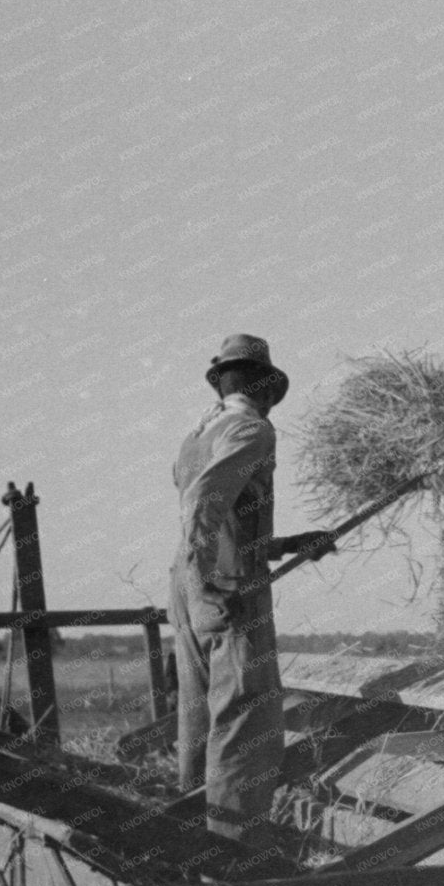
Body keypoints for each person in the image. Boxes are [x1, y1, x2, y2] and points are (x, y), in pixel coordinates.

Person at [169, 333, 331, 843]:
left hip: (189, 582)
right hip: (223, 584)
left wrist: (286, 544)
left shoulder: (199, 432)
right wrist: (216, 584)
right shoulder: (252, 429)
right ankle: (232, 860)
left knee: (199, 713)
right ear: (264, 389)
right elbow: (204, 503)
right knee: (247, 722)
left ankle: (187, 838)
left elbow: (224, 519)